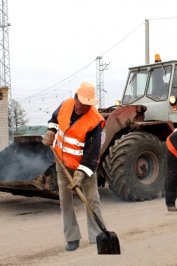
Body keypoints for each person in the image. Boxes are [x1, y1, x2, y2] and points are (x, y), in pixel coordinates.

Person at [42, 81, 105, 251]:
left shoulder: (95, 122)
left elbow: (92, 154)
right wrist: (51, 132)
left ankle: (98, 235)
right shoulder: (66, 104)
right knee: (65, 202)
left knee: (92, 199)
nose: (83, 107)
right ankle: (72, 238)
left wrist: (80, 174)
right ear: (76, 98)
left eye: (88, 105)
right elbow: (54, 120)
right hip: (62, 165)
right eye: (82, 103)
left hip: (84, 168)